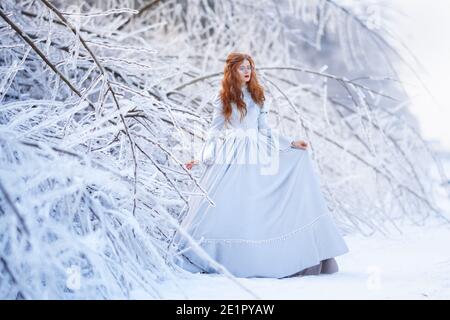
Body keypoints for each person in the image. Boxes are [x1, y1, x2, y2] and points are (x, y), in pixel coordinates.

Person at [172, 52, 348, 278]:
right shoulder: (224, 97)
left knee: (258, 203)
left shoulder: (257, 96)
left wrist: (290, 143)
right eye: (242, 68)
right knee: (227, 204)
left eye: (249, 67)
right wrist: (201, 156)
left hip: (258, 151)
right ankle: (213, 256)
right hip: (233, 154)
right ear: (232, 71)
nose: (247, 71)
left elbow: (264, 129)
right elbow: (214, 130)